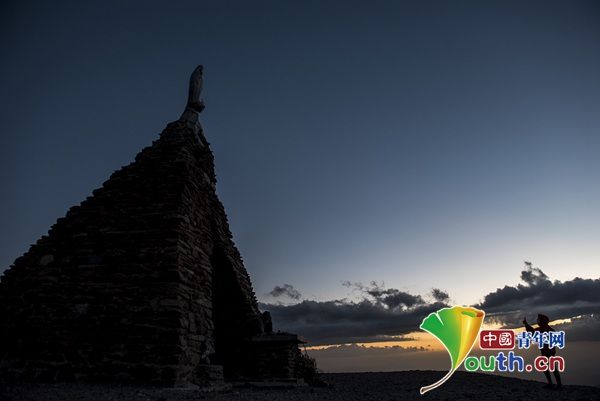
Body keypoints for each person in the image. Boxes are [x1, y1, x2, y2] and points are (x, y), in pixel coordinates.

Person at [523, 314, 562, 390]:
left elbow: (532, 331)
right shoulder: (547, 329)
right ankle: (554, 384)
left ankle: (557, 384)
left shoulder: (545, 330)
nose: (538, 321)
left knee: (551, 367)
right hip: (547, 352)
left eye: (540, 320)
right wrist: (526, 324)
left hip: (548, 352)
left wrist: (526, 324)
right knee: (549, 367)